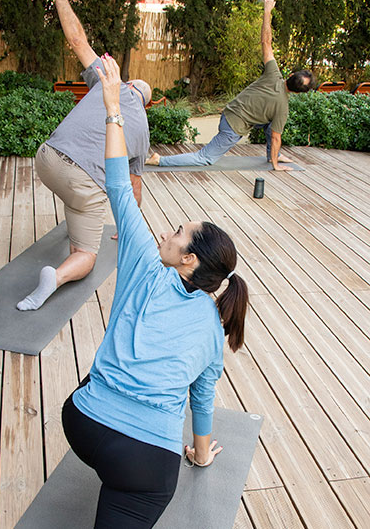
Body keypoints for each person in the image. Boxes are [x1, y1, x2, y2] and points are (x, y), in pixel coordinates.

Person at [62, 53, 249, 527]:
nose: (168, 230)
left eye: (179, 231)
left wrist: (112, 106)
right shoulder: (213, 329)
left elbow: (118, 184)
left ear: (188, 260)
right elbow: (201, 400)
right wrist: (201, 457)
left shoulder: (144, 258)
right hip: (145, 463)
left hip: (82, 424)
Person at [17, 0, 152, 311]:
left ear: (130, 85)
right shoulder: (141, 126)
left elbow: (78, 41)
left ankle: (73, 227)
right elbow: (132, 187)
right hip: (82, 183)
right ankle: (57, 277)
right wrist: (125, 230)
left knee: (76, 192)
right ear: (146, 101)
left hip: (46, 159)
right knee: (87, 254)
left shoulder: (107, 82)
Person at [145, 0, 313, 171]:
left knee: (272, 125)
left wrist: (267, 11)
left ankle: (274, 155)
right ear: (299, 93)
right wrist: (277, 167)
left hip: (230, 111)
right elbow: (277, 137)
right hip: (233, 127)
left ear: (291, 75)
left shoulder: (274, 74)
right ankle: (160, 160)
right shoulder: (282, 108)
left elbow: (266, 42)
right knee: (204, 158)